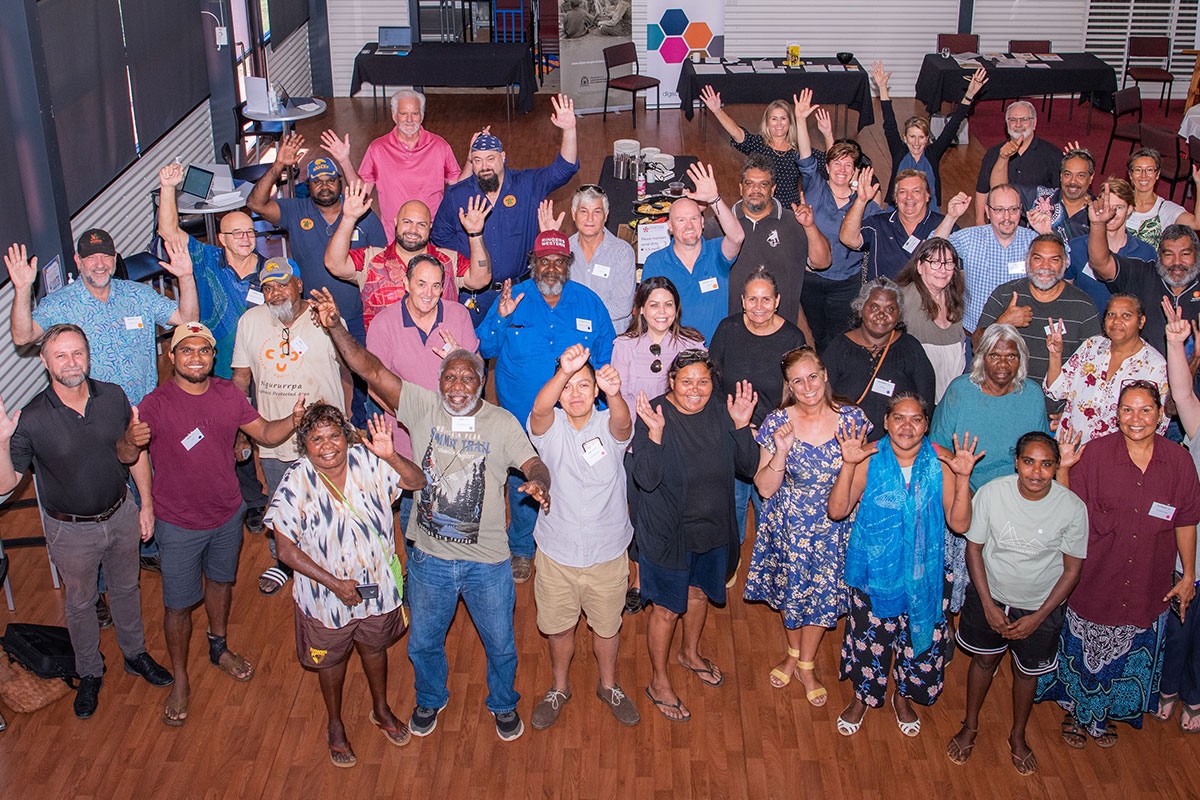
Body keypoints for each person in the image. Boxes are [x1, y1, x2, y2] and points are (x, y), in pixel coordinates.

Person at [310, 288, 551, 743]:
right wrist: (336, 326)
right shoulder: (421, 405)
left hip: (488, 562)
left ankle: (503, 703)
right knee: (422, 642)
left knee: (501, 645)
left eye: (468, 378)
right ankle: (430, 697)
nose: (458, 386)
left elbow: (534, 463)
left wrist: (540, 481)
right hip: (430, 559)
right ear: (439, 382)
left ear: (481, 382)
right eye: (450, 377)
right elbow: (369, 368)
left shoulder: (501, 423)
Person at [0, 325, 173, 719]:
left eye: (77, 353)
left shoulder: (113, 396)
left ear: (88, 355)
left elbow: (135, 454)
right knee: (80, 604)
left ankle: (135, 654)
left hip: (121, 513)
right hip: (70, 531)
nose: (71, 363)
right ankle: (90, 671)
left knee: (127, 588)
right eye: (60, 355)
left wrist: (145, 505)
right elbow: (5, 485)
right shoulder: (31, 418)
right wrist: (2, 442)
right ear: (44, 362)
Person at [137, 322, 305, 726]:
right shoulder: (155, 404)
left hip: (227, 514)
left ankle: (218, 646)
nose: (195, 358)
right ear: (172, 357)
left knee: (220, 584)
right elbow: (131, 452)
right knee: (178, 605)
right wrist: (130, 443)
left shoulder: (229, 394)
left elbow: (264, 432)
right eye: (186, 350)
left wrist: (293, 419)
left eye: (204, 351)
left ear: (214, 357)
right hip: (178, 522)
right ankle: (180, 677)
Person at [1038, 381, 1199, 748]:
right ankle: (1077, 712)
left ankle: (1105, 714)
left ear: (1160, 415)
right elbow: (1067, 509)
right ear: (1117, 414)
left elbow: (1187, 520)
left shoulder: (1178, 462)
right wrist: (1064, 469)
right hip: (1097, 575)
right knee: (1084, 652)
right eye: (1127, 409)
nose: (1136, 418)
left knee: (1127, 655)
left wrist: (1188, 574)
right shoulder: (1095, 455)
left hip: (1147, 580)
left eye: (1145, 410)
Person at [266, 405, 426, 767]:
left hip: (376, 589)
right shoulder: (296, 481)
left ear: (347, 436)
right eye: (316, 438)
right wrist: (335, 584)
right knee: (332, 660)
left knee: (374, 648)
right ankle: (335, 723)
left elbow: (417, 482)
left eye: (334, 435)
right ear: (304, 444)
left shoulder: (370, 461)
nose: (327, 446)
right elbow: (285, 550)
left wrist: (391, 455)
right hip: (325, 598)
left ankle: (381, 709)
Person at [827, 393, 980, 736]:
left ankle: (903, 696)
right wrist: (848, 465)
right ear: (886, 422)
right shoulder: (868, 458)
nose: (906, 426)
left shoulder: (942, 463)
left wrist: (963, 477)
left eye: (916, 419)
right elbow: (836, 511)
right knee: (870, 639)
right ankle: (862, 696)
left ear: (926, 425)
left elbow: (960, 524)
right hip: (875, 574)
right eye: (899, 418)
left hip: (924, 575)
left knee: (916, 641)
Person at [477, 230, 616, 582]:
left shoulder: (589, 302)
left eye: (558, 261)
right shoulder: (513, 298)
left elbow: (605, 356)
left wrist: (600, 407)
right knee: (523, 480)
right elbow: (486, 348)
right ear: (533, 264)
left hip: (574, 418)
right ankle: (522, 547)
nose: (551, 268)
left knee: (573, 479)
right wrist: (501, 317)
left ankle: (570, 541)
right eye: (544, 261)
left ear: (568, 264)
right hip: (521, 418)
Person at [947, 432, 1088, 775]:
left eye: (1046, 464)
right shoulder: (992, 493)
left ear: (1056, 467)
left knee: (1026, 673)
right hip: (991, 597)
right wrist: (988, 605)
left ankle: (1018, 735)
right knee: (983, 662)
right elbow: (974, 550)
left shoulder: (1072, 508)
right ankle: (970, 726)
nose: (1036, 472)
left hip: (1039, 607)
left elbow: (1072, 571)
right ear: (1016, 462)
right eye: (1028, 462)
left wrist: (1038, 617)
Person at [632, 351, 759, 722]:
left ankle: (689, 653)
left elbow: (748, 467)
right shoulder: (654, 413)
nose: (695, 389)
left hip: (713, 529)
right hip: (669, 535)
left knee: (700, 594)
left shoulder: (722, 411)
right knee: (667, 610)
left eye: (703, 381)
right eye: (686, 381)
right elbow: (646, 479)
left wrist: (741, 425)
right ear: (671, 381)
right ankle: (658, 681)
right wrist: (655, 435)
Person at [744, 347, 871, 705]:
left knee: (822, 594)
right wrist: (782, 452)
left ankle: (806, 663)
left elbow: (860, 477)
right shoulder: (777, 422)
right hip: (789, 523)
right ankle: (792, 652)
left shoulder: (853, 419)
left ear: (825, 375)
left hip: (836, 522)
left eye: (812, 376)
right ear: (788, 385)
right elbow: (764, 488)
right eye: (797, 381)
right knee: (791, 590)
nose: (808, 386)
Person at [525, 345, 640, 729]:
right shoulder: (550, 427)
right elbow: (539, 410)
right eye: (568, 387)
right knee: (559, 628)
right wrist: (564, 371)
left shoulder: (609, 423)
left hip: (607, 552)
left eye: (584, 385)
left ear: (596, 392)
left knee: (607, 627)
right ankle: (559, 687)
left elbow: (623, 425)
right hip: (557, 552)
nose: (575, 393)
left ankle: (608, 686)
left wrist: (615, 394)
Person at [232, 258, 352, 595]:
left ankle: (335, 559)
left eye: (282, 284)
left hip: (325, 436)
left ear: (299, 284)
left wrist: (347, 415)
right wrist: (241, 432)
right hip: (273, 437)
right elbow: (240, 379)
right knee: (282, 503)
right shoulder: (250, 322)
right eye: (268, 287)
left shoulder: (324, 317)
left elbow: (348, 369)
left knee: (332, 501)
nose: (275, 293)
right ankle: (283, 561)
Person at [932, 324, 1050, 612]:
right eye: (994, 355)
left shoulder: (1031, 394)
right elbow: (936, 448)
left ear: (1021, 360)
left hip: (1016, 499)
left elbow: (1042, 451)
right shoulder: (960, 390)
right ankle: (952, 621)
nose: (1002, 364)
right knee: (959, 582)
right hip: (966, 492)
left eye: (1011, 356)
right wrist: (963, 487)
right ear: (981, 357)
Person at [433, 95, 580, 324]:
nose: (484, 167)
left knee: (518, 344)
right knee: (472, 344)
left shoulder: (527, 185)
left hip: (518, 292)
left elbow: (565, 169)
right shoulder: (457, 195)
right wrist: (466, 259)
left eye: (490, 159)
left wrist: (569, 130)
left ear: (503, 157)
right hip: (473, 296)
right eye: (477, 160)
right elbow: (439, 236)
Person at [364, 252, 479, 543]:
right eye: (421, 284)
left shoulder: (458, 315)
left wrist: (461, 359)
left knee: (455, 505)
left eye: (436, 285)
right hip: (407, 435)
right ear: (406, 283)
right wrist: (414, 420)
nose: (429, 293)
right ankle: (417, 558)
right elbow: (376, 387)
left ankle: (451, 558)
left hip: (454, 434)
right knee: (414, 504)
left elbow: (477, 379)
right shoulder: (383, 324)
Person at [6, 233, 198, 405]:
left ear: (114, 259)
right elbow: (23, 337)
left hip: (144, 406)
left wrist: (186, 277)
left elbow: (187, 319)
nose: (100, 264)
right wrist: (22, 289)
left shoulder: (138, 295)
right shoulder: (59, 305)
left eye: (106, 256)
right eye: (91, 257)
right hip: (96, 414)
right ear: (78, 261)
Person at [610, 277, 707, 614]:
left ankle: (675, 574)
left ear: (677, 308)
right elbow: (620, 398)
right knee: (640, 515)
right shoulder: (624, 345)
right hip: (638, 448)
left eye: (668, 304)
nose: (661, 312)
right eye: (653, 304)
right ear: (640, 309)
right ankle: (639, 578)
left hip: (681, 448)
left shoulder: (693, 344)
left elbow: (701, 395)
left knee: (677, 514)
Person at [245, 134, 388, 348]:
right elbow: (255, 204)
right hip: (314, 315)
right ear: (308, 185)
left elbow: (383, 261)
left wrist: (344, 161)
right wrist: (278, 165)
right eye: (317, 181)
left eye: (330, 180)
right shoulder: (296, 210)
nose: (325, 186)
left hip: (360, 317)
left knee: (361, 366)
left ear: (339, 182)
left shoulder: (361, 214)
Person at [709, 268, 807, 547]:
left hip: (773, 443)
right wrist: (735, 425)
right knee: (732, 511)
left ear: (777, 301)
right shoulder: (727, 329)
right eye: (752, 299)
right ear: (742, 301)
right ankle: (732, 563)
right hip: (732, 436)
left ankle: (770, 565)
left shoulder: (792, 338)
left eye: (766, 299)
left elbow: (799, 394)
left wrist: (764, 433)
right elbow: (712, 382)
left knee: (769, 514)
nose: (759, 306)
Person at [325, 180, 491, 332]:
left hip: (440, 352)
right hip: (382, 354)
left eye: (421, 224)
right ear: (396, 222)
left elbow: (481, 279)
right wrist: (348, 219)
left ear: (430, 227)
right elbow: (334, 264)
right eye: (407, 222)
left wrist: (475, 234)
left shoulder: (448, 260)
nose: (413, 230)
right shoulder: (371, 259)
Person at [701, 153, 831, 342]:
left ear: (773, 189)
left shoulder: (794, 223)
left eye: (763, 184)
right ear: (740, 188)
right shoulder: (717, 226)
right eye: (749, 183)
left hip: (781, 334)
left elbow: (823, 262)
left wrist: (810, 227)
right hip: (732, 333)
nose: (756, 189)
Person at [157, 164, 267, 381]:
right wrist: (167, 188)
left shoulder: (270, 271)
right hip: (217, 367)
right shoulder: (205, 259)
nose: (245, 238)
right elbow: (169, 232)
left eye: (250, 232)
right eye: (237, 233)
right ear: (222, 239)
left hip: (260, 363)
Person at [793, 89, 880, 350]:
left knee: (842, 334)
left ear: (855, 171)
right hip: (811, 279)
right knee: (818, 333)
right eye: (837, 164)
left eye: (848, 165)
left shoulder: (866, 204)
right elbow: (806, 157)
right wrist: (800, 119)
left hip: (846, 283)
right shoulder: (815, 187)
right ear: (827, 167)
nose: (842, 169)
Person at [974, 233, 1102, 391]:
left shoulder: (1083, 306)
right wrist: (1002, 323)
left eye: (1054, 260)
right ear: (1027, 261)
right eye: (1038, 259)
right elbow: (976, 346)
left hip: (1058, 402)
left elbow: (1093, 364)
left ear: (1065, 264)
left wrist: (1071, 403)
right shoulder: (1005, 294)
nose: (1045, 267)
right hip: (1006, 398)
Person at [1087, 186, 1200, 356]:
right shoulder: (1143, 274)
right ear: (1159, 255)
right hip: (1141, 369)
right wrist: (1097, 224)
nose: (1177, 262)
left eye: (1185, 254)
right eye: (1169, 254)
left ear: (1197, 255)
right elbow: (1101, 263)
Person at [640, 162, 746, 342]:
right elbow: (647, 313)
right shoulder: (655, 262)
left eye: (694, 219)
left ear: (703, 223)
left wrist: (714, 199)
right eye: (681, 220)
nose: (689, 226)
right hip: (673, 351)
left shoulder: (716, 252)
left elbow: (737, 237)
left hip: (714, 351)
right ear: (670, 226)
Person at [345, 90, 467, 243]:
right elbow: (361, 194)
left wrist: (470, 160)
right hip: (394, 238)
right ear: (394, 115)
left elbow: (458, 187)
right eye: (403, 114)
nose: (409, 120)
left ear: (422, 116)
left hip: (433, 237)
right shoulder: (377, 148)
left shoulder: (440, 146)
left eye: (415, 114)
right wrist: (344, 161)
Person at [822, 278, 935, 440]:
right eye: (874, 307)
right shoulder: (838, 348)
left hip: (897, 445)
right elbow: (822, 399)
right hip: (846, 441)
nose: (881, 315)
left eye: (890, 309)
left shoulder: (910, 348)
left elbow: (926, 403)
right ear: (860, 309)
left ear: (898, 315)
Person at [1045, 293, 1168, 443]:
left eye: (1126, 315)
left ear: (1141, 321)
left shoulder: (1154, 365)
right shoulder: (1091, 346)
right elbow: (1055, 390)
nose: (1116, 321)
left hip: (1118, 453)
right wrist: (1055, 355)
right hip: (1070, 447)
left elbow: (1158, 423)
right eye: (1111, 314)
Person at [871, 60, 986, 208]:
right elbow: (890, 124)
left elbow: (953, 125)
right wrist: (882, 88)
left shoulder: (933, 154)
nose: (916, 142)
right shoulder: (899, 151)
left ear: (927, 139)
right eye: (912, 137)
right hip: (898, 208)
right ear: (905, 138)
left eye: (921, 137)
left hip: (928, 210)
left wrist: (969, 95)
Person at [1161, 303, 1200, 731]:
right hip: (1189, 557)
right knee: (1177, 630)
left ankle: (1194, 696)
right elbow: (1183, 395)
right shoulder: (1199, 427)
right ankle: (1168, 688)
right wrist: (1175, 344)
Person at [697, 88, 834, 208]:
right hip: (760, 207)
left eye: (783, 118)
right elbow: (737, 133)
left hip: (789, 210)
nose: (779, 123)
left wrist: (828, 135)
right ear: (767, 122)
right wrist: (717, 111)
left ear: (790, 122)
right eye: (774, 119)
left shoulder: (800, 150)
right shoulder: (758, 145)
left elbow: (831, 165)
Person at [940, 185, 1039, 338]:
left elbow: (1065, 262)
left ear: (1021, 210)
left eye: (1013, 209)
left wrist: (1046, 232)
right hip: (975, 334)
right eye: (999, 210)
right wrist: (951, 217)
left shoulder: (1033, 241)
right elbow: (931, 249)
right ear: (987, 211)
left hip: (1021, 336)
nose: (1006, 217)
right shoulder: (970, 238)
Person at [541, 185, 637, 331]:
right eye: (583, 211)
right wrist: (550, 247)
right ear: (573, 214)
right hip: (570, 336)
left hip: (611, 337)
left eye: (597, 212)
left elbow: (622, 306)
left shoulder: (622, 252)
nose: (590, 218)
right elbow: (547, 294)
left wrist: (577, 314)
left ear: (606, 215)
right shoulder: (562, 252)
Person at [1065, 176, 1155, 311]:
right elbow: (1065, 292)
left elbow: (1150, 298)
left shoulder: (1146, 252)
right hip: (1084, 322)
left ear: (1129, 209)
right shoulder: (1076, 247)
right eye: (1106, 207)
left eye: (1118, 207)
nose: (1111, 213)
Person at [840, 166, 945, 281]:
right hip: (883, 292)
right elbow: (848, 239)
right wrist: (861, 200)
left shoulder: (944, 225)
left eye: (916, 191)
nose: (909, 197)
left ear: (927, 195)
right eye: (902, 192)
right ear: (895, 197)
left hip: (925, 292)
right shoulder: (878, 224)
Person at [894, 238, 966, 402]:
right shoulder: (904, 299)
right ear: (919, 266)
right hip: (916, 396)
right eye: (935, 263)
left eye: (948, 263)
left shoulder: (955, 298)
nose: (943, 270)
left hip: (949, 395)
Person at [973, 101, 1061, 226]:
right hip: (1000, 224)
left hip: (1037, 225)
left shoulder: (1052, 155)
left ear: (1035, 123)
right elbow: (982, 191)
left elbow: (1059, 194)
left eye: (1024, 119)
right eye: (1013, 120)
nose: (1018, 124)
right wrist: (980, 221)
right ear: (1007, 124)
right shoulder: (994, 154)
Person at [993, 146, 1094, 243]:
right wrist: (1003, 158)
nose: (1073, 181)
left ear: (1091, 178)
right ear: (1061, 176)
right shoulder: (1040, 197)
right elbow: (1000, 192)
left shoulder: (1097, 212)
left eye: (1080, 176)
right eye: (1068, 174)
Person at [1126, 148, 1200, 249]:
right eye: (1138, 170)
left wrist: (1199, 184)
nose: (1143, 175)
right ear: (1130, 175)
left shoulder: (1166, 209)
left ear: (1157, 174)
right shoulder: (1118, 201)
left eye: (1149, 170)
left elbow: (1197, 223)